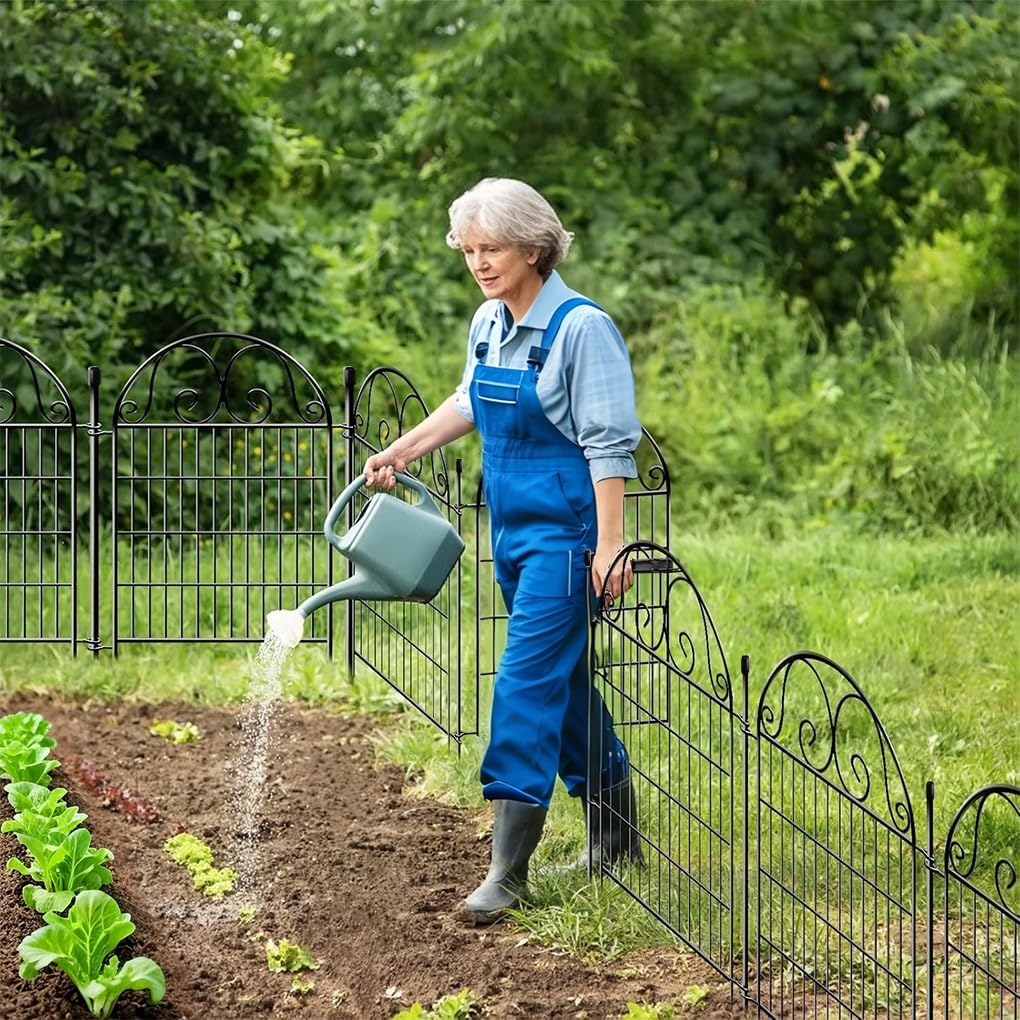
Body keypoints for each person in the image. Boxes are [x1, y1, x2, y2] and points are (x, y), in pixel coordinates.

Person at [363, 177, 643, 922]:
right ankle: (617, 838)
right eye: (469, 250)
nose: (479, 263)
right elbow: (467, 400)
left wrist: (610, 544)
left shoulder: (583, 329)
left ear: (534, 248)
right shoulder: (489, 321)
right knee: (564, 680)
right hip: (512, 531)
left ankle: (507, 873)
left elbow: (610, 445)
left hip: (567, 536)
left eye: (491, 249)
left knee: (522, 683)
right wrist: (403, 450)